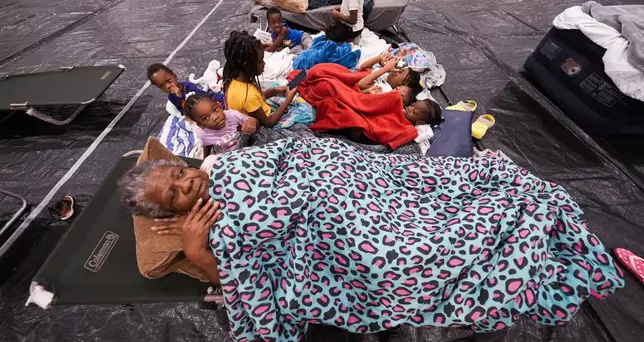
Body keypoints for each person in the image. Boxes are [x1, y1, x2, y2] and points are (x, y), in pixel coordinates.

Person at [119, 137, 622, 341]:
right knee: (393, 261)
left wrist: (325, 172)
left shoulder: (231, 161)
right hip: (333, 243)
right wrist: (197, 252)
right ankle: (456, 250)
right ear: (170, 210)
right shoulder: (211, 229)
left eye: (181, 176)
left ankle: (486, 215)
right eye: (176, 196)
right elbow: (246, 288)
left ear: (184, 165)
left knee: (431, 190)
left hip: (352, 188)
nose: (188, 187)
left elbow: (302, 152)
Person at [223, 31, 298, 128]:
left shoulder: (236, 79)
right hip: (267, 122)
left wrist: (276, 90)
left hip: (260, 109)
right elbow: (268, 123)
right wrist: (288, 100)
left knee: (282, 84)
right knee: (308, 113)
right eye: (260, 61)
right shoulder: (248, 96)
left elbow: (259, 98)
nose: (264, 64)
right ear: (246, 65)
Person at [182, 91, 258, 157]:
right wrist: (205, 160)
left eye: (215, 109)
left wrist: (252, 120)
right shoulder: (203, 134)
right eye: (206, 118)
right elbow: (207, 146)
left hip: (246, 148)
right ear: (201, 125)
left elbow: (253, 122)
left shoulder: (233, 115)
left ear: (219, 106)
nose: (215, 117)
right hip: (225, 158)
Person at [147, 63, 224, 116]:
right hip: (199, 113)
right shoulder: (171, 97)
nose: (167, 86)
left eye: (169, 81)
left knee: (223, 101)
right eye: (162, 86)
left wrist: (181, 94)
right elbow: (182, 110)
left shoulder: (188, 86)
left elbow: (202, 98)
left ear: (175, 77)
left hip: (209, 100)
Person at [358, 52, 423, 95]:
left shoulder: (385, 89)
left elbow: (361, 84)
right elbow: (364, 67)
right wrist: (380, 58)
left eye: (400, 72)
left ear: (402, 84)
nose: (395, 70)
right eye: (398, 68)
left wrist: (385, 69)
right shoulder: (385, 75)